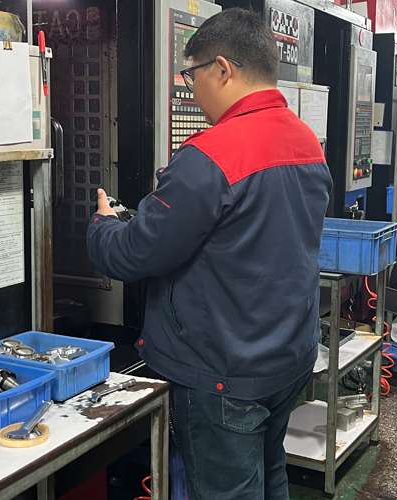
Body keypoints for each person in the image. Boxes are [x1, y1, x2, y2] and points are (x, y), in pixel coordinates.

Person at [87, 9, 332, 499]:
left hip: (224, 375)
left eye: (192, 74)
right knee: (270, 475)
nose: (192, 89)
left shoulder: (212, 155)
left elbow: (134, 255)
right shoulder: (305, 140)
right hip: (288, 358)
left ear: (222, 69)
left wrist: (103, 225)